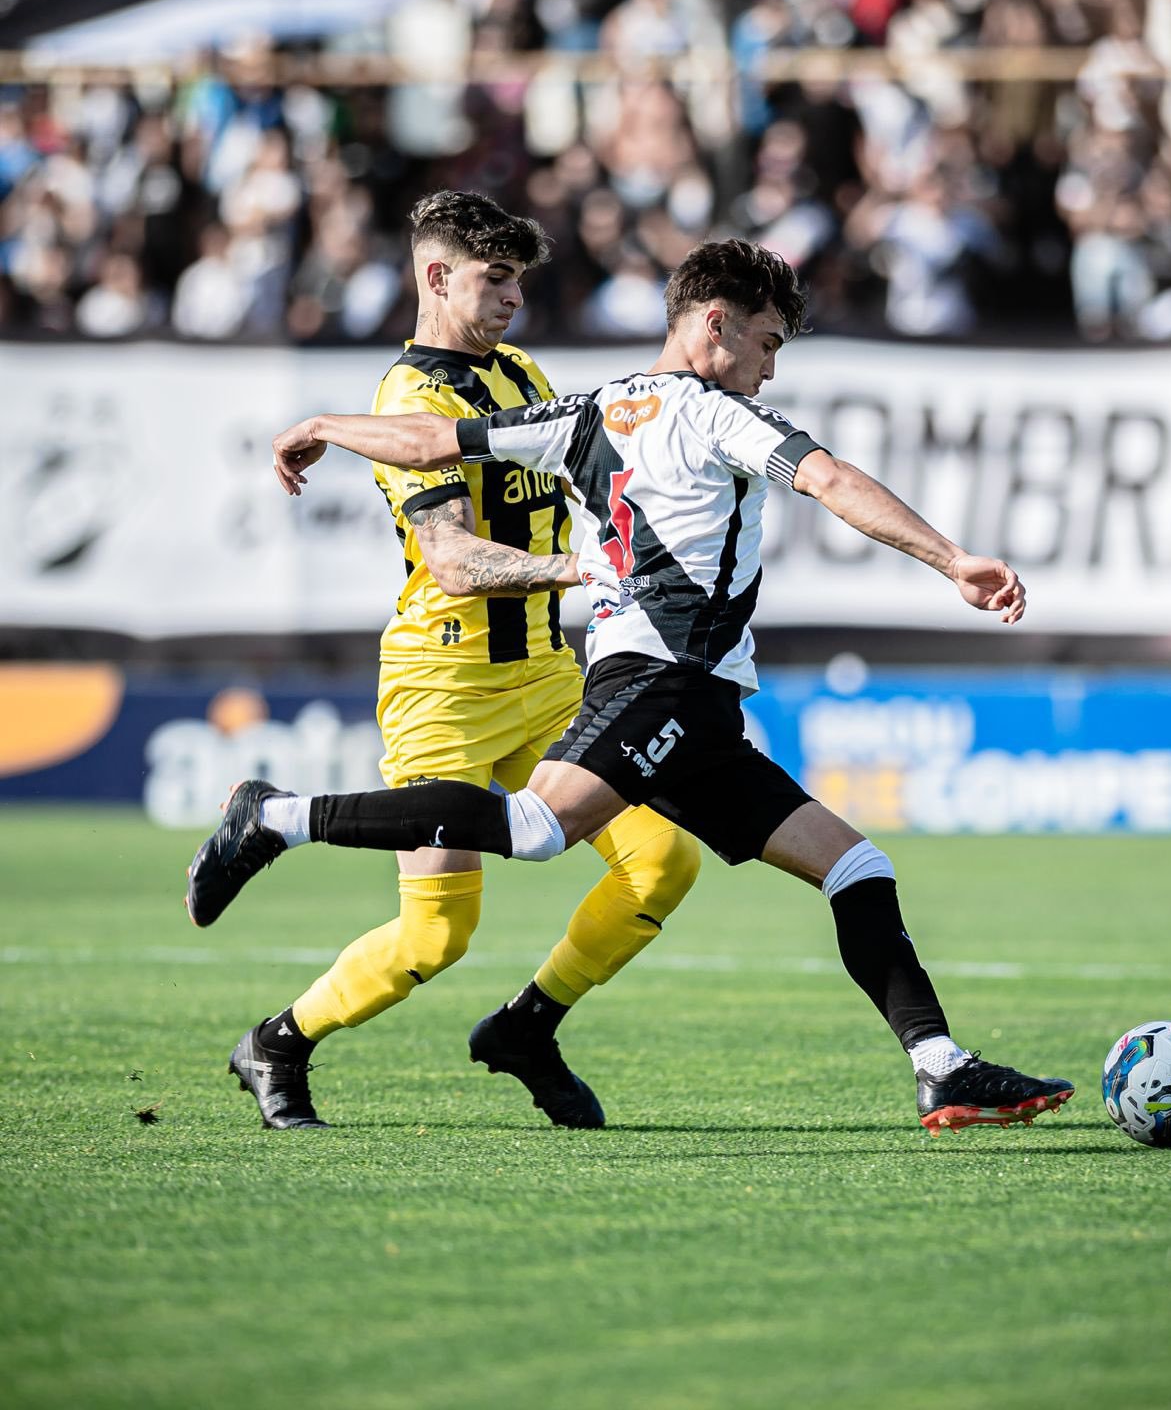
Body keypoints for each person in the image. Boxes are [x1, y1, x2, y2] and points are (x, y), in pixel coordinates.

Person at [194, 238, 1075, 1137]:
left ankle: (941, 1067)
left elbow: (428, 444)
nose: (768, 373)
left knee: (853, 864)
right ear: (714, 323)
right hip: (660, 684)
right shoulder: (713, 412)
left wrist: (322, 427)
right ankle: (273, 818)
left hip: (698, 710)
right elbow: (832, 479)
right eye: (767, 345)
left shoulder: (592, 408)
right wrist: (953, 558)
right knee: (535, 833)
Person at [188, 191, 700, 1130]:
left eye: (518, 280)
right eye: (494, 278)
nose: (512, 298)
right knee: (437, 936)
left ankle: (529, 1028)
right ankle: (278, 1042)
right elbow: (457, 565)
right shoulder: (408, 399)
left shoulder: (519, 371)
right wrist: (583, 567)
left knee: (662, 861)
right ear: (436, 276)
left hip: (547, 676)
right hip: (447, 681)